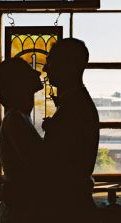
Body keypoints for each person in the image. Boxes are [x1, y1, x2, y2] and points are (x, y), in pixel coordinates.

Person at [42, 38, 100, 223]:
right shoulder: (76, 103)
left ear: (68, 66)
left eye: (50, 62)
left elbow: (58, 163)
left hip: (69, 207)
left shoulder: (75, 107)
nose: (45, 69)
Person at [0, 57, 45, 223]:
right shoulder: (16, 119)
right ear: (19, 86)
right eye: (29, 72)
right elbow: (40, 162)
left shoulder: (18, 117)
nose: (37, 73)